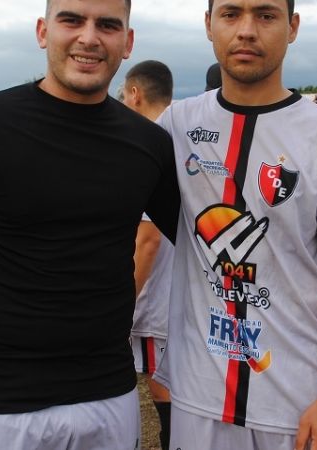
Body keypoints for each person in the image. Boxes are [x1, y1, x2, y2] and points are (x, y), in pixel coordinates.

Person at [0, 1, 180, 449]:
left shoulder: (149, 145)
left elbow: (204, 248)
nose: (89, 37)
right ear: (43, 31)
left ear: (127, 41)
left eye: (107, 25)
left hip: (108, 398)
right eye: (71, 20)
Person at [155, 1, 317, 449]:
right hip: (196, 394)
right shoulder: (176, 126)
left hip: (293, 401)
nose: (246, 31)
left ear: (292, 26)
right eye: (230, 14)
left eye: (265, 15)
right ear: (208, 25)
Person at [119, 59, 175, 450]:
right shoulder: (189, 135)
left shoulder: (149, 143)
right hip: (187, 289)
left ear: (136, 94)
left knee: (167, 392)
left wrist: (125, 306)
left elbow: (148, 239)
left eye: (124, 96)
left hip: (160, 297)